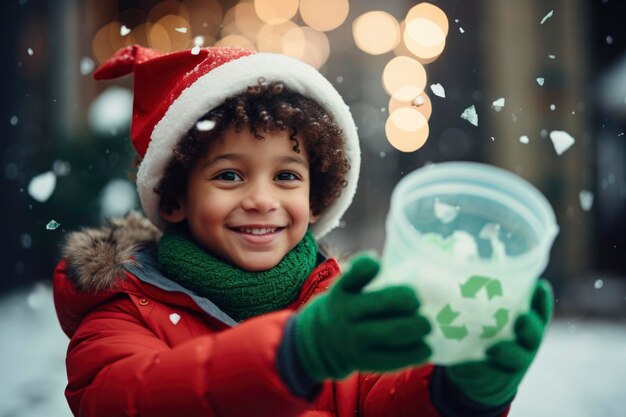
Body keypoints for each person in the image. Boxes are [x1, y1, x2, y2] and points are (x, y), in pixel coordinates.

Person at [53, 45, 552, 417]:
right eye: (229, 175)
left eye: (286, 176)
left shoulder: (338, 308)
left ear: (316, 200)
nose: (262, 200)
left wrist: (459, 389)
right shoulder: (119, 315)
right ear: (176, 198)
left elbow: (385, 401)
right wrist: (295, 354)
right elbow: (130, 398)